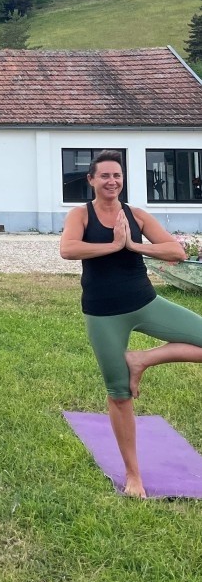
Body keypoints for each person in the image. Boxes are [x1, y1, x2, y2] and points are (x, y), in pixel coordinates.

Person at [60, 149, 201, 498]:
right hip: (103, 314)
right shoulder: (80, 214)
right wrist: (113, 245)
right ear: (91, 180)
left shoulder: (136, 215)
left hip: (145, 303)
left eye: (117, 176)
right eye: (104, 175)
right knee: (120, 394)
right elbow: (68, 249)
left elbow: (176, 251)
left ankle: (142, 359)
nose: (112, 181)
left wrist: (134, 245)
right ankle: (133, 475)